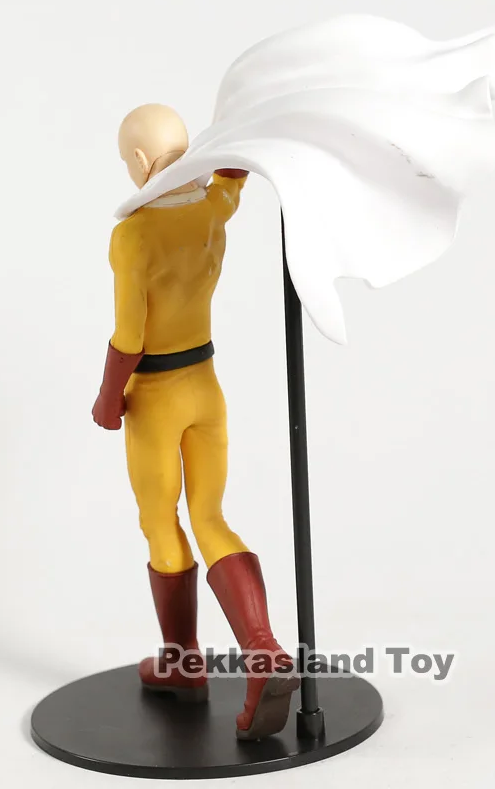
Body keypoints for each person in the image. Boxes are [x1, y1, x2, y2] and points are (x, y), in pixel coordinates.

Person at [92, 103, 299, 740]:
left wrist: (107, 398)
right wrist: (239, 133)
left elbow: (129, 338)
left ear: (137, 162)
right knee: (211, 517)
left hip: (155, 395)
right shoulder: (211, 212)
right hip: (206, 387)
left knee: (161, 522)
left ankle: (182, 661)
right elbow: (232, 180)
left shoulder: (133, 237)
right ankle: (263, 649)